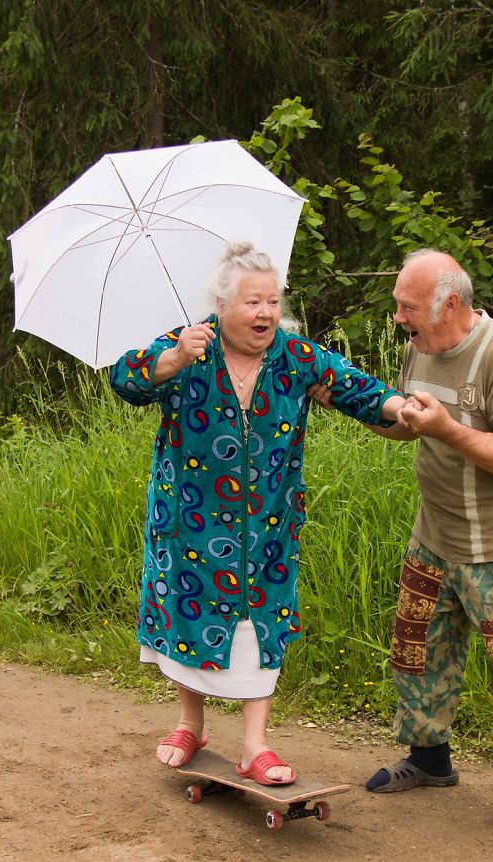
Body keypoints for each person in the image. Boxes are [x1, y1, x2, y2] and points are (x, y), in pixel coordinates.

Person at [110, 242, 406, 785]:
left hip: (268, 522)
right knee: (189, 612)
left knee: (260, 619)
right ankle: (189, 724)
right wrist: (172, 360)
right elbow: (124, 380)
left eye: (272, 300)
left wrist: (403, 409)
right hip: (189, 519)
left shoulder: (295, 357)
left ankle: (254, 745)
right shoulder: (185, 346)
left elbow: (359, 390)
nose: (266, 312)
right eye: (252, 302)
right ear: (222, 305)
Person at [310, 247, 493, 850]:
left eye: (407, 307)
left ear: (449, 303)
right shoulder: (418, 348)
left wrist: (449, 428)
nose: (398, 317)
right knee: (416, 653)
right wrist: (343, 403)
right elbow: (406, 424)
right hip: (434, 536)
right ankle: (429, 760)